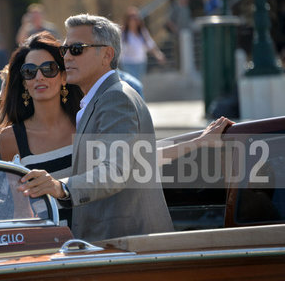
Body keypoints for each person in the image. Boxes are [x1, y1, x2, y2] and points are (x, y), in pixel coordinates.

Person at [17, 14, 173, 241]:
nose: (67, 57)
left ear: (107, 54)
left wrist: (60, 186)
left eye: (77, 49)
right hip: (116, 246)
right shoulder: (101, 98)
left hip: (128, 247)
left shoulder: (116, 99)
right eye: (65, 50)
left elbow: (114, 172)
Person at [0, 31, 83, 226]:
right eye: (30, 71)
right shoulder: (11, 138)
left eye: (49, 69)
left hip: (96, 237)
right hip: (50, 243)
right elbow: (21, 211)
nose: (39, 77)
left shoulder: (85, 123)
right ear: (25, 82)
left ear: (63, 77)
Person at [119, 6, 166, 83]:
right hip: (128, 63)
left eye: (136, 17)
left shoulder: (142, 32)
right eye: (132, 17)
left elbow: (150, 44)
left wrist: (158, 54)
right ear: (127, 20)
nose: (134, 20)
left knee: (138, 83)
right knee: (134, 84)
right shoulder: (123, 34)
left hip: (141, 62)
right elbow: (119, 48)